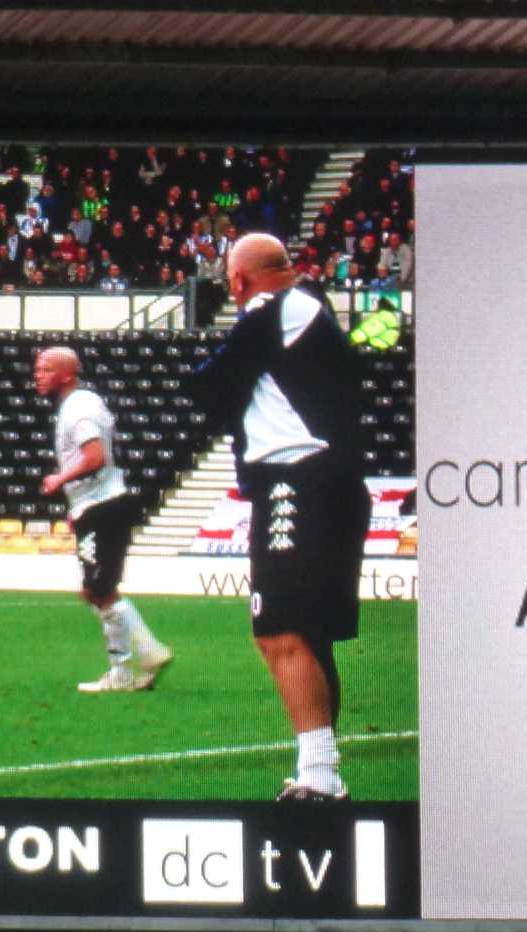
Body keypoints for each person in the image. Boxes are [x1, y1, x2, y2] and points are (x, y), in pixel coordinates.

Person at [188, 232, 372, 802]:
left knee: (279, 627)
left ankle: (320, 777)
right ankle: (319, 774)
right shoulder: (308, 312)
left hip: (298, 479)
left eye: (228, 278)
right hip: (330, 483)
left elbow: (210, 387)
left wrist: (210, 381)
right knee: (309, 636)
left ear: (239, 280)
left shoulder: (274, 307)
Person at [35, 346, 172, 693]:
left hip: (104, 506)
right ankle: (125, 668)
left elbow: (94, 457)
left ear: (67, 374)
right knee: (95, 590)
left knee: (99, 589)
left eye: (46, 369)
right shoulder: (78, 404)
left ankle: (143, 655)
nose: (38, 375)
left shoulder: (79, 408)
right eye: (38, 369)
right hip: (95, 505)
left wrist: (59, 480)